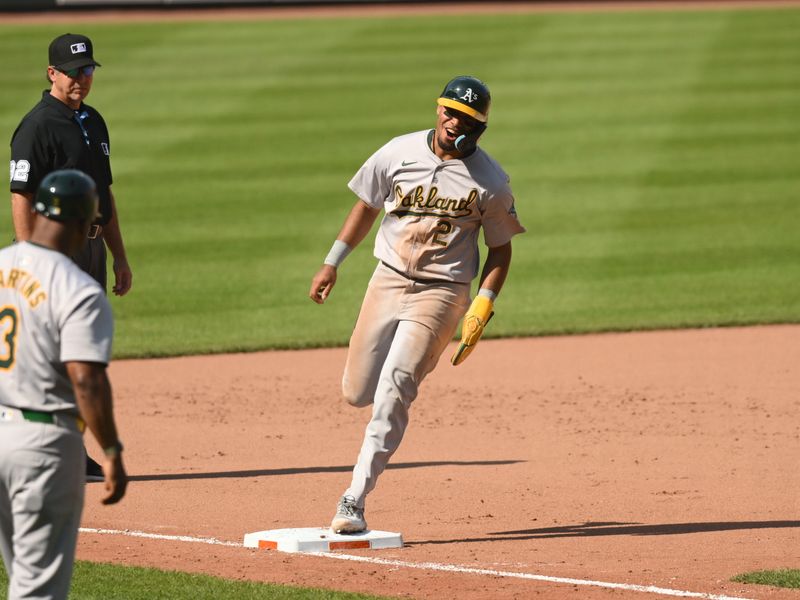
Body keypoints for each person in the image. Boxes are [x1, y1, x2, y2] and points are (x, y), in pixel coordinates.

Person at [309, 76, 525, 533]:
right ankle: (381, 391)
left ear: (479, 127)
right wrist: (332, 262)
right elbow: (366, 206)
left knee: (394, 388)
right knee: (357, 392)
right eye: (448, 110)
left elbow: (500, 249)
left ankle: (354, 499)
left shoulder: (490, 182)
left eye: (465, 117)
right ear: (438, 110)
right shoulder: (398, 152)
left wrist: (481, 307)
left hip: (442, 292)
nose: (453, 121)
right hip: (385, 280)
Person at [9, 32, 132, 481]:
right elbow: (20, 194)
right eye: (73, 71)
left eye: (87, 70)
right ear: (52, 73)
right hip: (54, 251)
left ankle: (68, 449)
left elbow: (106, 193)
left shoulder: (93, 121)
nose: (82, 79)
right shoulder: (37, 126)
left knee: (80, 348)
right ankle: (63, 451)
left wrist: (119, 255)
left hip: (92, 247)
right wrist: (30, 257)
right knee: (59, 354)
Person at [0, 169, 127, 600]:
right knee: (37, 590)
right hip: (43, 448)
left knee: (20, 576)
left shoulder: (1, 264)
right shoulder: (77, 289)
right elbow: (87, 381)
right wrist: (110, 451)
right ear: (81, 225)